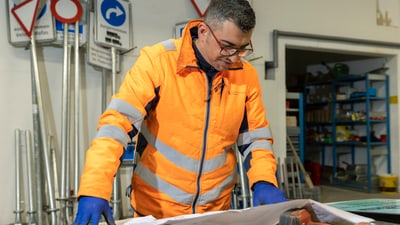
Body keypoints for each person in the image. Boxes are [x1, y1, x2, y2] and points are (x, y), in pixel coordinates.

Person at [73, 0, 286, 224]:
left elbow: (256, 139)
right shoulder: (158, 62)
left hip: (215, 213)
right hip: (156, 213)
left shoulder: (245, 76)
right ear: (204, 31)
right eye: (227, 46)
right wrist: (94, 188)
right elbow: (116, 126)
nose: (234, 58)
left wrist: (264, 180)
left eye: (242, 49)